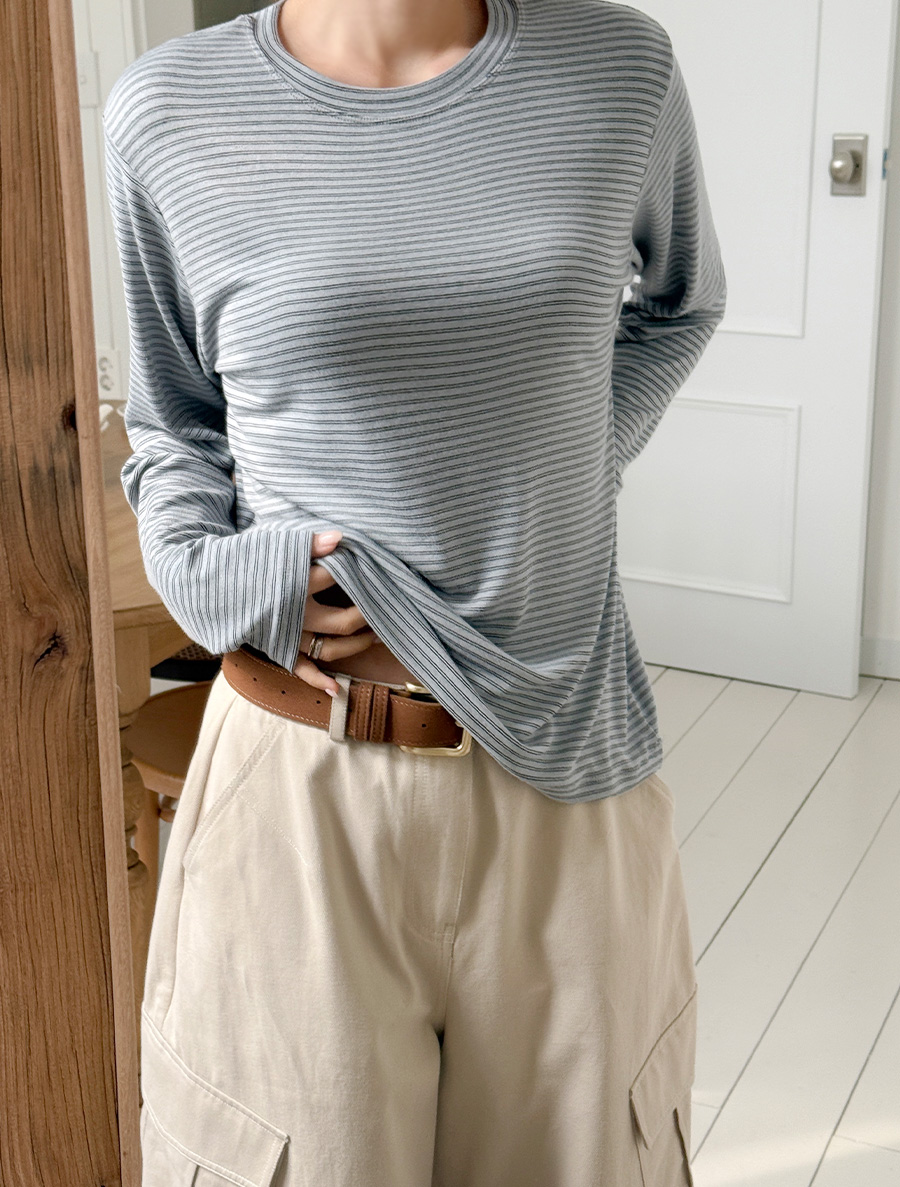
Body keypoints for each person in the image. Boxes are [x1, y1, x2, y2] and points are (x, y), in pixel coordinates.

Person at [103, 0, 726, 1182]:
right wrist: (220, 577)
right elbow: (172, 420)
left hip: (563, 766)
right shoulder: (169, 109)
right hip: (299, 792)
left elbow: (678, 309)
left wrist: (566, 469)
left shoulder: (621, 69)